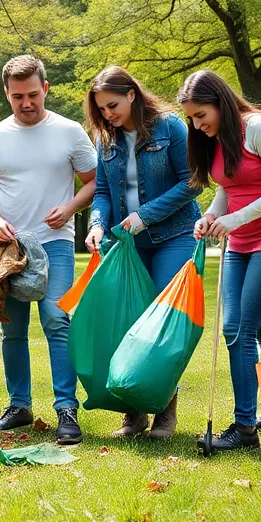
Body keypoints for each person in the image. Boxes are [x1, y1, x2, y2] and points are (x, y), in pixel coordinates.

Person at [0, 55, 97, 446]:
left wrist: (72, 207)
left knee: (57, 321)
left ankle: (66, 408)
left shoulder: (70, 130)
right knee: (13, 329)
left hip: (54, 243)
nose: (26, 103)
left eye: (32, 95)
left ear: (45, 88)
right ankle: (19, 405)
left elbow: (95, 182)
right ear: (7, 95)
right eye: (17, 97)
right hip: (8, 248)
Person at [178, 69, 261, 454]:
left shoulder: (259, 128)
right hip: (241, 242)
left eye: (202, 115)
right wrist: (213, 215)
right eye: (192, 119)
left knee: (237, 330)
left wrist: (236, 218)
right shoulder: (214, 139)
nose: (198, 126)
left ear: (220, 102)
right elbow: (228, 189)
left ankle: (245, 427)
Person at [84, 66, 201, 440]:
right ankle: (133, 414)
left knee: (163, 326)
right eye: (101, 109)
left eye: (112, 105)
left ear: (132, 94)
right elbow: (101, 191)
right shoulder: (106, 139)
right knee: (129, 323)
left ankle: (165, 411)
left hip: (174, 235)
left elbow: (193, 182)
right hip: (127, 243)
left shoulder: (171, 127)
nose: (107, 115)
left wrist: (144, 216)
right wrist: (97, 224)